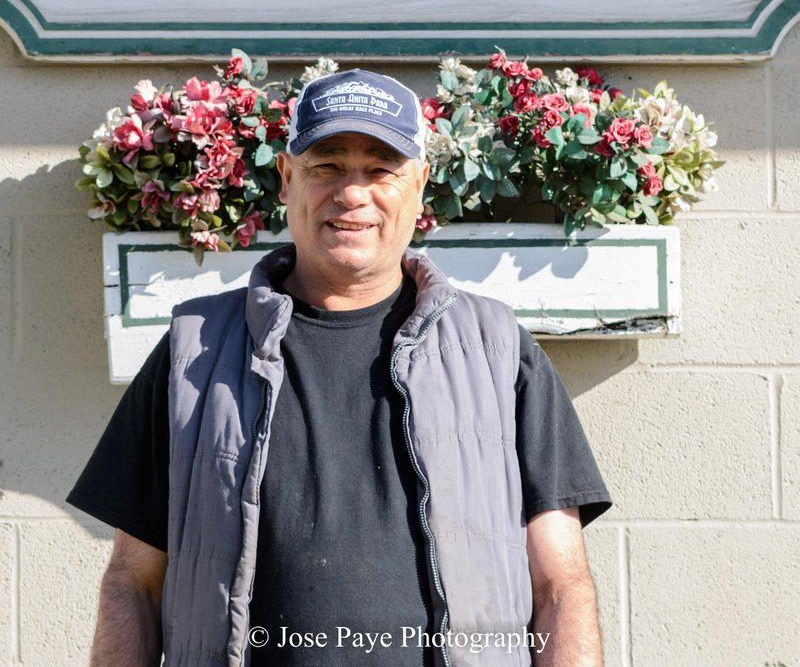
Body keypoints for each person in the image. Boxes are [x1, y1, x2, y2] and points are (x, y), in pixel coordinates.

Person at [68, 68, 611, 667]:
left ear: (420, 185)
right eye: (326, 165)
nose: (353, 193)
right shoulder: (195, 351)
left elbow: (561, 585)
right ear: (285, 179)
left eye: (381, 169)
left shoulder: (498, 350)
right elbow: (132, 583)